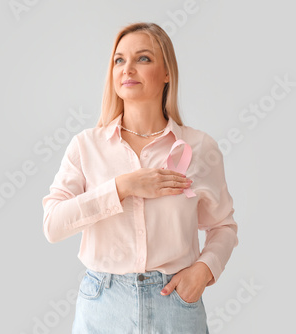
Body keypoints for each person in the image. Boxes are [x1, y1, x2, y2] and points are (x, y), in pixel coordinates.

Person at [41, 22, 239, 333]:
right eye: (119, 60)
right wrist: (123, 187)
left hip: (175, 304)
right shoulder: (86, 146)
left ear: (167, 73)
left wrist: (203, 271)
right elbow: (53, 225)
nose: (127, 68)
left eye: (143, 58)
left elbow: (222, 226)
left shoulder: (199, 147)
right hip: (103, 304)